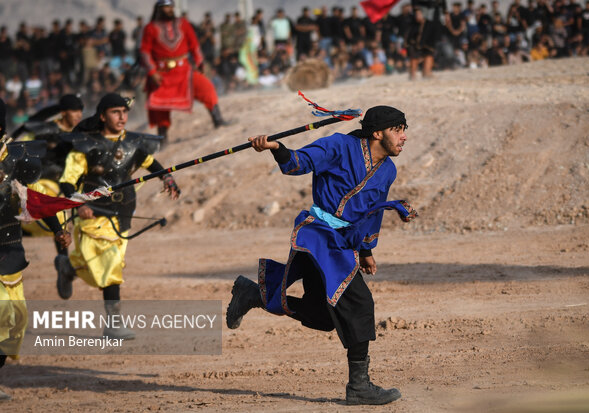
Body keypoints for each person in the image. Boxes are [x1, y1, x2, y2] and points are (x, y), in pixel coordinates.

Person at [226, 106, 417, 405]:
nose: (404, 137)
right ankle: (359, 387)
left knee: (322, 316)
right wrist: (276, 148)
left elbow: (369, 215)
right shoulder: (340, 145)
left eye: (405, 130)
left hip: (342, 244)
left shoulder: (388, 170)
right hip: (318, 236)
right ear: (377, 133)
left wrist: (365, 251)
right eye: (398, 130)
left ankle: (252, 295)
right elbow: (298, 163)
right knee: (359, 302)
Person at [56, 93, 180, 338]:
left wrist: (167, 177)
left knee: (107, 265)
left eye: (124, 112)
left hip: (123, 214)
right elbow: (67, 182)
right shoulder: (85, 146)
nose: (122, 117)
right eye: (115, 112)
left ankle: (68, 266)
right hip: (93, 214)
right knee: (112, 267)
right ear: (102, 116)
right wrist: (79, 203)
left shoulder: (133, 143)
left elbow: (151, 163)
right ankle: (113, 324)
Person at [1, 98, 71, 401]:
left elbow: (35, 199)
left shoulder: (17, 159)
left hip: (9, 250)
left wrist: (57, 229)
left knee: (14, 323)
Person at [15, 95, 84, 283]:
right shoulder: (44, 130)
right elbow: (20, 149)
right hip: (45, 181)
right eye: (74, 111)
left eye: (80, 111)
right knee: (54, 210)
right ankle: (63, 258)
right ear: (63, 113)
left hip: (72, 183)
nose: (78, 115)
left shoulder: (82, 132)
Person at [140, 0, 229, 142]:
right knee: (160, 107)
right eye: (165, 7)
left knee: (206, 88)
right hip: (162, 73)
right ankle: (163, 139)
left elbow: (194, 44)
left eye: (170, 7)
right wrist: (152, 72)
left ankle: (218, 120)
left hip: (184, 70)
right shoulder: (150, 28)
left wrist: (200, 62)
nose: (168, 10)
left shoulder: (183, 24)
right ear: (159, 9)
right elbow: (144, 52)